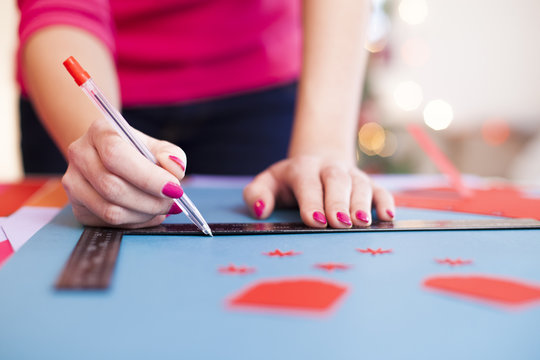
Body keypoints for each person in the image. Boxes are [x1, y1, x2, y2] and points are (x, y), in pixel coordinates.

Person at [16, 0, 395, 229]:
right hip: (82, 97)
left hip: (261, 84)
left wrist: (323, 147)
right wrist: (104, 152)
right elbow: (59, 7)